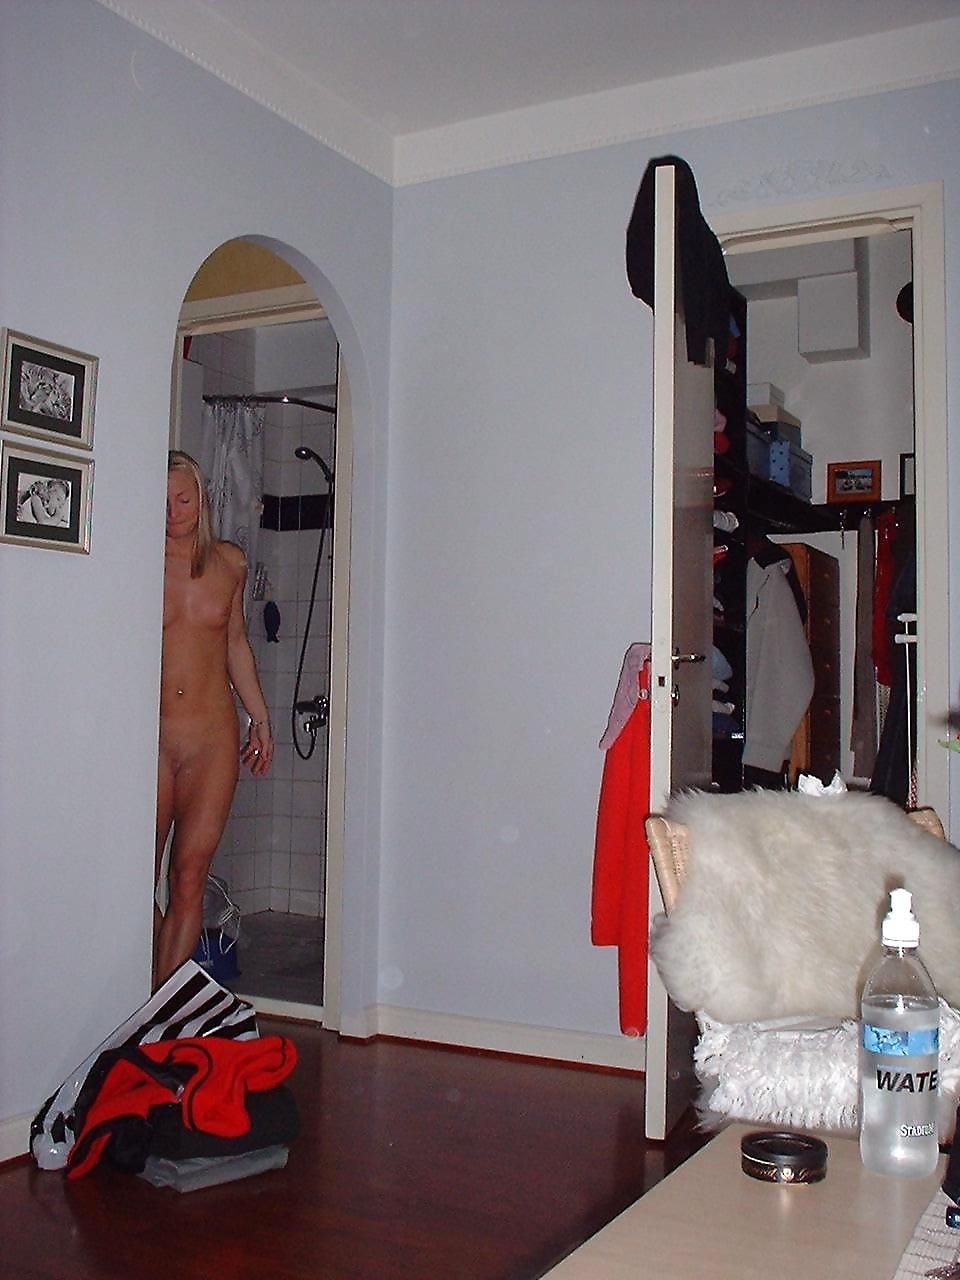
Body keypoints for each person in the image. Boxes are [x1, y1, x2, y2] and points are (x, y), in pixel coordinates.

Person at [155, 451, 274, 987]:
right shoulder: (137, 559)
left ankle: (162, 1011)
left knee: (188, 879)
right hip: (152, 740)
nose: (173, 512)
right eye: (163, 502)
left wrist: (260, 718)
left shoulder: (230, 563)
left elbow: (236, 644)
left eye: (183, 499)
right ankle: (149, 993)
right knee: (131, 881)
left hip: (212, 738)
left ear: (202, 499)